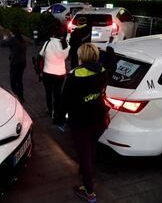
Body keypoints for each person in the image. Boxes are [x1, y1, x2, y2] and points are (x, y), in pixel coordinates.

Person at [59, 43, 109, 203]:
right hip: (100, 119)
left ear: (82, 57)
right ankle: (85, 169)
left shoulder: (74, 76)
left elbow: (63, 101)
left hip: (81, 123)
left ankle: (89, 192)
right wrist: (111, 51)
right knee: (91, 146)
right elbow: (111, 65)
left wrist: (59, 120)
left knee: (84, 154)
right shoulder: (103, 71)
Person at [40, 24, 69, 119]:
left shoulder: (48, 43)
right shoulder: (66, 45)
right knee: (57, 93)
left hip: (47, 72)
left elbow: (41, 55)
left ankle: (49, 109)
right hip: (60, 74)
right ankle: (56, 111)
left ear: (52, 34)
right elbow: (65, 57)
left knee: (48, 92)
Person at [1, 25, 27, 103]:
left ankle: (16, 97)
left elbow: (3, 44)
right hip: (22, 62)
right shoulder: (22, 39)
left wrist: (4, 39)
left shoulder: (13, 40)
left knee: (13, 81)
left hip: (15, 63)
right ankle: (21, 97)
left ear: (12, 32)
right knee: (19, 80)